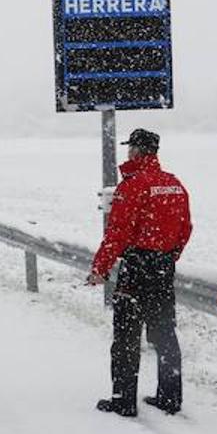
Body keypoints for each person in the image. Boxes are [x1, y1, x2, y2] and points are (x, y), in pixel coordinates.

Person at [85, 128, 193, 417]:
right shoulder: (174, 184)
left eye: (130, 148)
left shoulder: (132, 186)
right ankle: (169, 398)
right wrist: (168, 257)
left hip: (135, 268)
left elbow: (117, 234)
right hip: (162, 269)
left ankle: (123, 401)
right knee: (164, 334)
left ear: (136, 151)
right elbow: (185, 229)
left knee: (126, 337)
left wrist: (100, 268)